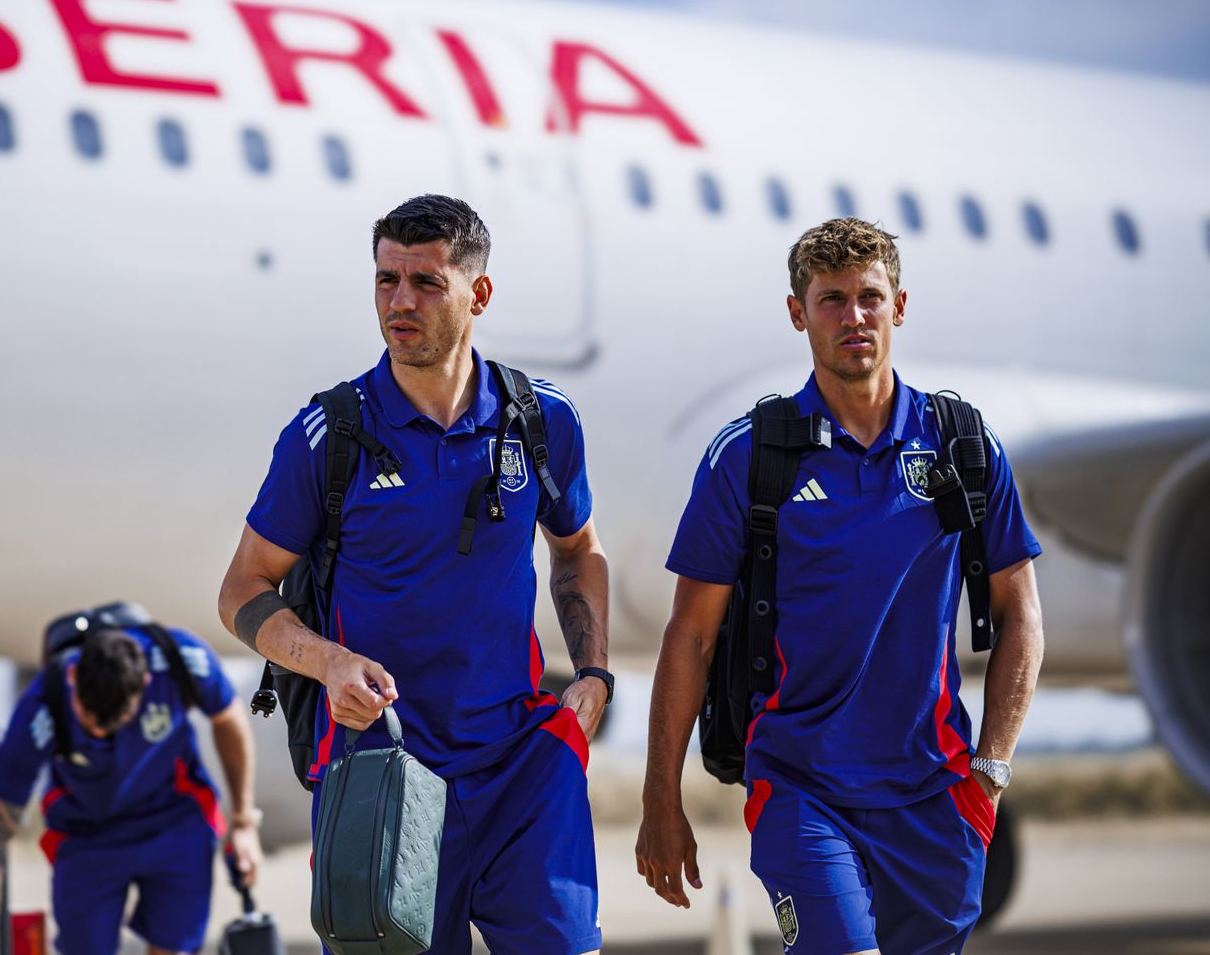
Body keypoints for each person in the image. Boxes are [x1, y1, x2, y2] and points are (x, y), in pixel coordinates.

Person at [636, 218, 1046, 953]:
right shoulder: (748, 457)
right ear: (799, 314)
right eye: (831, 300)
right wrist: (659, 799)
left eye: (870, 297)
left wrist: (989, 770)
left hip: (938, 795)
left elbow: (1022, 614)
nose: (853, 317)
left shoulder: (964, 446)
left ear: (899, 306)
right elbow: (690, 637)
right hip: (801, 790)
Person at [218, 194, 612, 955]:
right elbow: (242, 589)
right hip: (381, 773)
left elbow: (577, 550)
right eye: (386, 280)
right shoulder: (328, 434)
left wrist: (592, 672)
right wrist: (328, 663)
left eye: (426, 283)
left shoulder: (542, 420)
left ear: (479, 294)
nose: (400, 302)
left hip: (522, 766)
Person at [0, 623, 263, 955]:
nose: (98, 731)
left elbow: (229, 718)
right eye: (89, 717)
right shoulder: (40, 709)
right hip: (88, 836)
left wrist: (243, 822)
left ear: (145, 684)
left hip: (174, 820)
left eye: (113, 721)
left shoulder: (181, 660)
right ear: (73, 677)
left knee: (174, 948)